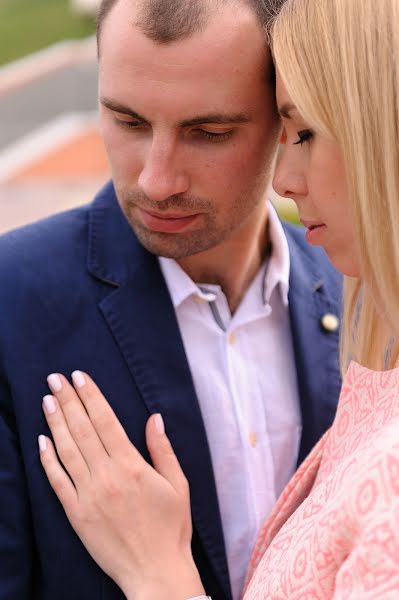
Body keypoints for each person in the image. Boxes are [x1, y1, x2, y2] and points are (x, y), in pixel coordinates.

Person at [36, 0, 399, 598]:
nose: (156, 180)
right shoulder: (14, 307)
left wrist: (163, 580)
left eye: (210, 132)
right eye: (127, 121)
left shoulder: (353, 296)